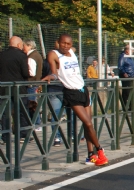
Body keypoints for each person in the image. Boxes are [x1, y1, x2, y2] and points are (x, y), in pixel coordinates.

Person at [41, 34, 108, 166]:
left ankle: (90, 155)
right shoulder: (53, 54)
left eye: (68, 44)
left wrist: (71, 48)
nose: (65, 46)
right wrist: (50, 76)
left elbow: (73, 52)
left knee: (88, 125)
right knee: (88, 123)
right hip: (71, 92)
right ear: (57, 43)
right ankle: (100, 149)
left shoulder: (72, 51)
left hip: (83, 90)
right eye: (63, 43)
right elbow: (55, 72)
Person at [0, 36, 32, 143]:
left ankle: (5, 136)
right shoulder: (22, 56)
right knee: (22, 111)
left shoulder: (2, 55)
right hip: (19, 87)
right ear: (19, 45)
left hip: (4, 87)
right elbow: (25, 73)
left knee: (5, 112)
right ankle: (22, 135)